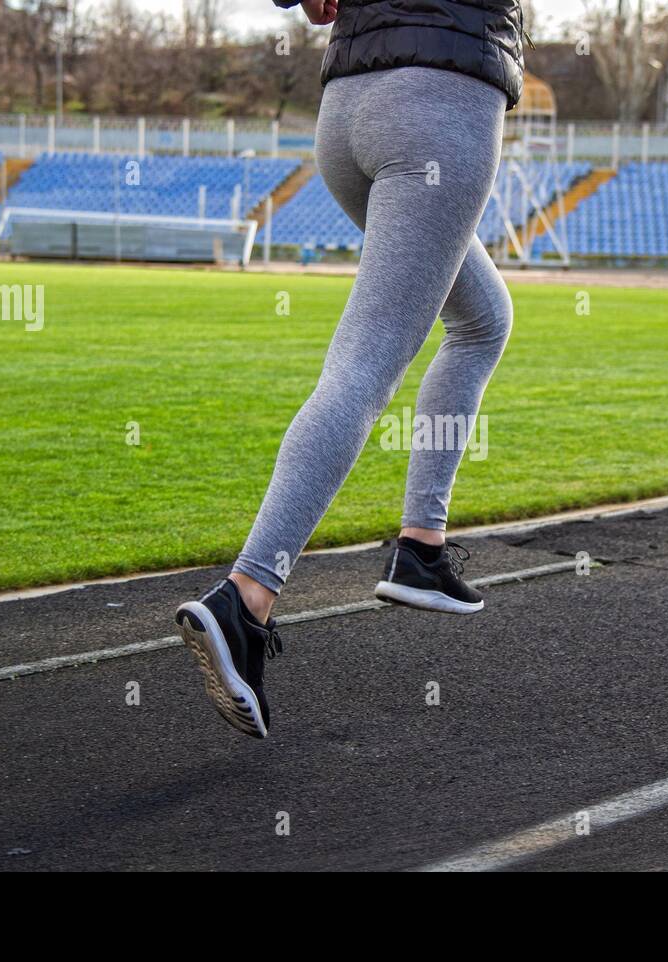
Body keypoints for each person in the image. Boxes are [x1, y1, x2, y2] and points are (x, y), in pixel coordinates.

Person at [176, 0, 524, 738]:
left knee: (483, 320)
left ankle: (421, 551)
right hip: (440, 101)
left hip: (348, 108)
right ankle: (247, 596)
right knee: (365, 365)